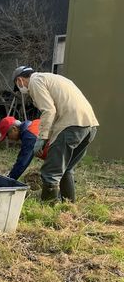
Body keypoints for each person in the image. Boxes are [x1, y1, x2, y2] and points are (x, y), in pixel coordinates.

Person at [12, 66, 99, 202]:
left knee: (50, 172)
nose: (21, 90)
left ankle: (48, 209)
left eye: (18, 86)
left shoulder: (35, 82)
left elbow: (48, 111)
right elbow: (55, 113)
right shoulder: (53, 78)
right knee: (66, 169)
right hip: (90, 126)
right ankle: (69, 205)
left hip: (71, 125)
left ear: (20, 80)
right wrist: (48, 138)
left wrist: (42, 138)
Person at [0, 116, 43, 180]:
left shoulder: (29, 136)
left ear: (14, 128)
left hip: (59, 152)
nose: (9, 138)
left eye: (7, 135)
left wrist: (9, 180)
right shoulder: (31, 126)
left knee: (49, 178)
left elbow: (22, 162)